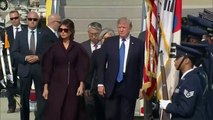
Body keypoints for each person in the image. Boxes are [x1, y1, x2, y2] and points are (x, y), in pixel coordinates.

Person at [97, 17, 145, 120]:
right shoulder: (109, 42)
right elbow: (101, 64)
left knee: (126, 115)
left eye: (124, 27)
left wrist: (142, 86)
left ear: (130, 28)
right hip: (112, 85)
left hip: (129, 85)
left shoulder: (139, 44)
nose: (121, 30)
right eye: (119, 27)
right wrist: (100, 83)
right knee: (111, 115)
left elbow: (141, 67)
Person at [42, 19, 90, 120]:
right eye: (60, 30)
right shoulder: (53, 48)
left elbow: (82, 66)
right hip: (56, 85)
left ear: (71, 31)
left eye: (65, 30)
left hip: (73, 86)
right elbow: (47, 67)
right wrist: (46, 87)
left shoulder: (78, 48)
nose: (63, 32)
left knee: (71, 112)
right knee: (55, 111)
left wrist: (81, 84)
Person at [12, 11, 46, 120]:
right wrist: (25, 58)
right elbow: (14, 52)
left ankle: (40, 118)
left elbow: (48, 52)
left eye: (35, 19)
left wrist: (38, 57)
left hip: (38, 69)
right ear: (27, 20)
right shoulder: (20, 34)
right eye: (30, 19)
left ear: (38, 21)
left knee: (41, 98)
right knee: (24, 98)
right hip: (25, 69)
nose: (32, 21)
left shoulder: (43, 34)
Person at [159, 44, 207, 120]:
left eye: (178, 58)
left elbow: (185, 109)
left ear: (186, 60)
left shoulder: (192, 79)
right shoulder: (187, 78)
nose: (175, 60)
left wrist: (168, 106)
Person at [4, 10, 27, 113]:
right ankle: (11, 106)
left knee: (24, 84)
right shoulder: (5, 31)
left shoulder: (26, 29)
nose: (14, 20)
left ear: (19, 17)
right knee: (10, 85)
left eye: (16, 18)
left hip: (23, 61)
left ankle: (24, 104)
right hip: (10, 62)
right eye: (12, 18)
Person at [81, 22, 102, 120]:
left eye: (96, 34)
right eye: (91, 34)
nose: (93, 36)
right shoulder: (82, 47)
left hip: (102, 84)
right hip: (88, 85)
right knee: (89, 111)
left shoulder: (106, 46)